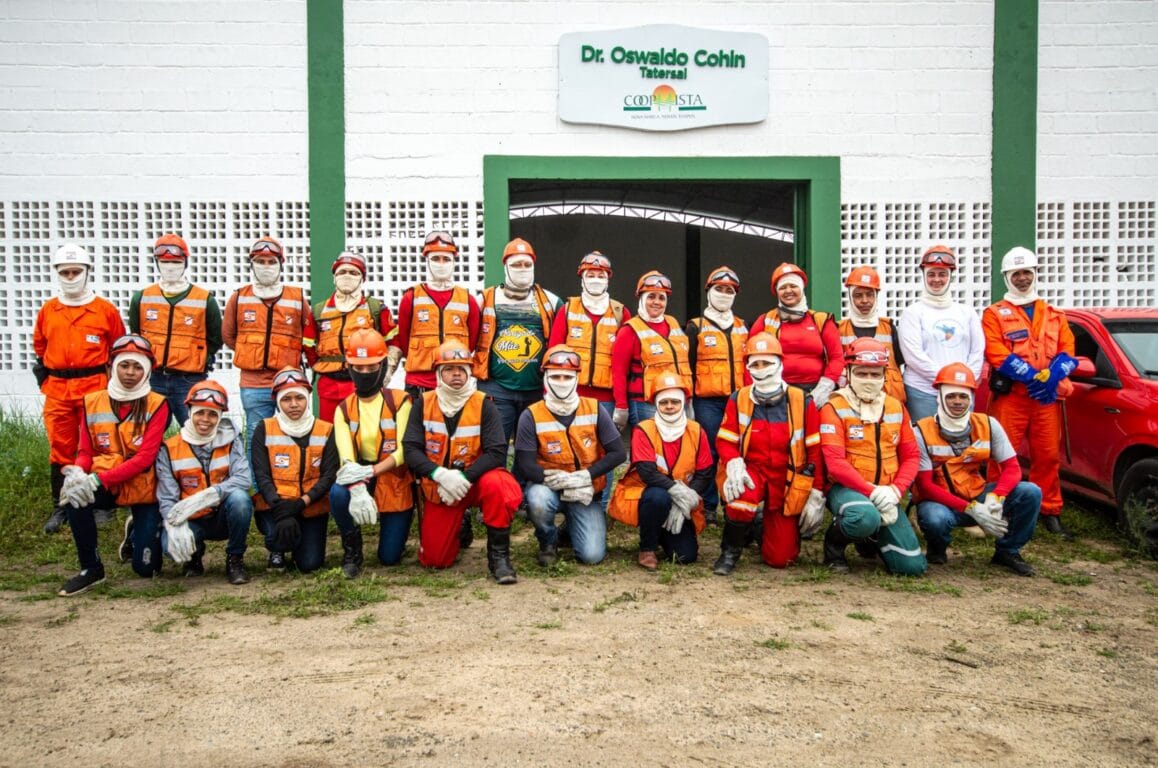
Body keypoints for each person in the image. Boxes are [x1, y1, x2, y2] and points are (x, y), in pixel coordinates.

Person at [56, 335, 170, 596]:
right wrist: (77, 474)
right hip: (106, 480)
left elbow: (145, 458)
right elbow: (86, 450)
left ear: (148, 370)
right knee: (76, 498)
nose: (130, 372)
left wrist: (97, 480)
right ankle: (91, 569)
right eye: (125, 365)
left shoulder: (158, 404)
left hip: (142, 488)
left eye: (138, 367)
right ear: (112, 366)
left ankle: (135, 533)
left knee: (146, 569)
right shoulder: (92, 401)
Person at [402, 341, 522, 583]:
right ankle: (461, 524)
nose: (456, 374)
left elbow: (497, 452)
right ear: (438, 372)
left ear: (470, 372)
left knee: (500, 485)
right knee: (435, 560)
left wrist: (464, 478)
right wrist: (440, 475)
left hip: (475, 482)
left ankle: (499, 558)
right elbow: (410, 449)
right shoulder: (423, 403)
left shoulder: (484, 404)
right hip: (441, 486)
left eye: (462, 368)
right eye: (449, 368)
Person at [982, 246, 1079, 539]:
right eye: (1016, 273)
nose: (1022, 278)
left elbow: (1068, 351)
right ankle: (997, 508)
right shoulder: (994, 313)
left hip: (1046, 399)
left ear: (1035, 274)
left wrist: (1053, 377)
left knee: (1048, 456)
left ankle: (1049, 511)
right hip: (1011, 397)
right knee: (1001, 455)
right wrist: (1033, 376)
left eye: (1027, 272)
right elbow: (996, 353)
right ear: (1006, 277)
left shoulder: (1054, 314)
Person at [712, 332, 826, 575]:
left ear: (780, 363)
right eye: (755, 364)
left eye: (767, 363)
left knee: (781, 559)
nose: (761, 369)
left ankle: (760, 526)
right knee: (741, 499)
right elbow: (725, 440)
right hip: (752, 471)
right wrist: (733, 462)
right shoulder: (739, 398)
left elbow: (815, 452)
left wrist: (816, 493)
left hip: (787, 478)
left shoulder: (802, 401)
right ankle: (730, 551)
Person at [914, 363, 1040, 575]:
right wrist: (970, 509)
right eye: (951, 396)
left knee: (1030, 492)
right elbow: (924, 486)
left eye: (963, 396)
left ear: (971, 397)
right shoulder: (921, 431)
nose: (957, 402)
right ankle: (937, 548)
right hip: (941, 502)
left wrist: (996, 497)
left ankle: (1008, 551)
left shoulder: (988, 425)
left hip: (979, 495)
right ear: (940, 396)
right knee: (934, 519)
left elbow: (1012, 468)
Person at [34, 243, 126, 534]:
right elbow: (40, 346)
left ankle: (102, 504)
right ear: (57, 274)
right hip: (58, 389)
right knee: (61, 448)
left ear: (87, 272)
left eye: (76, 271)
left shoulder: (105, 311)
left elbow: (119, 349)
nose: (71, 276)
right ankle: (61, 505)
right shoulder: (49, 310)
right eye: (65, 272)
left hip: (95, 388)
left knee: (102, 445)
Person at [818, 338, 926, 576]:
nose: (868, 379)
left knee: (911, 568)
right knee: (864, 517)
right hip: (847, 489)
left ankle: (869, 539)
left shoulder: (896, 407)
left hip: (889, 492)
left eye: (875, 374)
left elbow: (911, 456)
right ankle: (834, 547)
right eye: (861, 373)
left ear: (884, 375)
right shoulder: (834, 407)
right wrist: (872, 492)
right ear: (848, 372)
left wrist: (896, 491)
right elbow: (835, 463)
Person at [516, 345, 626, 566]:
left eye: (567, 376)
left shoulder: (594, 408)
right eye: (555, 376)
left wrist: (586, 476)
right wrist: (556, 479)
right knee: (537, 501)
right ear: (545, 378)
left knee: (592, 556)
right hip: (547, 485)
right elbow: (525, 465)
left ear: (577, 378)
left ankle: (568, 528)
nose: (561, 381)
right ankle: (548, 541)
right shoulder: (531, 414)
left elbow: (619, 453)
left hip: (584, 489)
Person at [329, 330, 416, 578]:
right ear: (349, 367)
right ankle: (352, 548)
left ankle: (396, 528)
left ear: (383, 365)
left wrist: (374, 470)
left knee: (389, 558)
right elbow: (346, 457)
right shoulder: (343, 408)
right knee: (338, 492)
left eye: (371, 367)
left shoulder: (400, 401)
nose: (365, 373)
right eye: (359, 367)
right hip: (360, 475)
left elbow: (404, 450)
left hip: (393, 476)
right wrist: (357, 485)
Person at [224, 236, 316, 461]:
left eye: (271, 262)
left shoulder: (297, 298)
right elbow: (228, 336)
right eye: (261, 261)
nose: (266, 267)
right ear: (252, 264)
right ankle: (258, 492)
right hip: (253, 385)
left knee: (296, 436)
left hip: (289, 383)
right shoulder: (238, 297)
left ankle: (293, 488)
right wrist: (252, 354)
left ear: (281, 265)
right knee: (257, 439)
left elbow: (309, 337)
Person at [609, 374, 714, 570]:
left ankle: (663, 535)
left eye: (675, 401)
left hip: (682, 499)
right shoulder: (644, 429)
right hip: (651, 495)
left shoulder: (696, 430)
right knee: (658, 497)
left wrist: (685, 501)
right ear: (656, 404)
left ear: (683, 403)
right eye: (664, 402)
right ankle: (647, 547)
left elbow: (705, 472)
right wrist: (676, 491)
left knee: (685, 556)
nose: (669, 406)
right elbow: (647, 472)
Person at [155, 380, 254, 585]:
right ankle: (194, 555)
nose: (205, 420)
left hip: (222, 517)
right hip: (190, 519)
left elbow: (244, 478)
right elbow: (166, 497)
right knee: (169, 548)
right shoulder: (170, 447)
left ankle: (235, 558)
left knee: (240, 500)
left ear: (220, 417)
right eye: (200, 412)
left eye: (212, 414)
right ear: (190, 412)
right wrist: (173, 524)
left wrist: (209, 495)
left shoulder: (231, 439)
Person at [473, 237, 562, 441]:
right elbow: (468, 339)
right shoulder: (485, 299)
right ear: (506, 267)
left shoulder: (551, 300)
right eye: (516, 264)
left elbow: (560, 342)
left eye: (527, 264)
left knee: (530, 450)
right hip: (496, 389)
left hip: (536, 391)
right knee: (495, 446)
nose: (522, 269)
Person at [129, 233, 223, 426]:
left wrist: (199, 357)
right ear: (157, 263)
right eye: (164, 261)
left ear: (185, 262)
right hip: (152, 379)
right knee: (146, 434)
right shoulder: (142, 298)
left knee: (195, 431)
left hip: (189, 379)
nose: (170, 267)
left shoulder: (205, 299)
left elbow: (215, 338)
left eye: (176, 261)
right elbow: (137, 334)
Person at [250, 367, 337, 574]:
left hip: (310, 505)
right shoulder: (264, 428)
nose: (294, 404)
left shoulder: (326, 429)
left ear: (308, 398)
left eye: (299, 397)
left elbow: (328, 475)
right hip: (276, 505)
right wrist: (280, 507)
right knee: (278, 531)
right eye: (286, 399)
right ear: (278, 402)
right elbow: (261, 475)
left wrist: (301, 503)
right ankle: (276, 548)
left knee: (309, 564)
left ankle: (296, 542)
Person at [685, 266, 748, 525]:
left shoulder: (744, 327)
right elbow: (686, 365)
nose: (724, 294)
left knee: (734, 450)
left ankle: (732, 499)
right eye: (719, 289)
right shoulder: (695, 327)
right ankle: (709, 504)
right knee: (709, 451)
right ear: (709, 292)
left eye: (729, 290)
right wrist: (687, 401)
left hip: (738, 400)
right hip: (707, 401)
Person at [388, 231, 481, 402]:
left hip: (455, 384)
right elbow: (403, 339)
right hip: (419, 383)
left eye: (446, 259)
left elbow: (472, 342)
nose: (441, 264)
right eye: (436, 259)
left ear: (454, 262)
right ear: (427, 261)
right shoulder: (411, 298)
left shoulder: (468, 300)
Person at [897, 245, 984, 421]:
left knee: (960, 443)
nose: (937, 279)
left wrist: (963, 382)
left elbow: (977, 351)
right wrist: (948, 380)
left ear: (950, 276)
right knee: (925, 442)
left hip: (961, 392)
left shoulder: (966, 312)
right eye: (931, 274)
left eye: (942, 274)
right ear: (924, 275)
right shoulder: (912, 312)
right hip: (922, 392)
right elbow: (913, 356)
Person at [310, 251, 393, 421]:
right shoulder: (319, 311)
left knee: (363, 436)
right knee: (330, 436)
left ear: (363, 278)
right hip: (328, 388)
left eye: (354, 273)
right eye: (342, 272)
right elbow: (307, 346)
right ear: (334, 278)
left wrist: (385, 374)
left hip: (364, 385)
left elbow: (394, 343)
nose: (347, 276)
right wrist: (321, 367)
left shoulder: (375, 309)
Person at [749, 262, 844, 407]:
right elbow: (748, 359)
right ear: (776, 291)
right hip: (775, 393)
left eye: (793, 286)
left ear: (802, 288)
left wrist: (823, 390)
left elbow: (837, 358)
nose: (788, 291)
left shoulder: (821, 320)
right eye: (782, 287)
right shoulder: (764, 321)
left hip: (816, 391)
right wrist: (757, 390)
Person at [546, 250, 630, 413]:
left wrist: (621, 404)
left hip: (608, 401)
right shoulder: (567, 310)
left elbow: (624, 366)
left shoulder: (621, 313)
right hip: (571, 397)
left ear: (607, 280)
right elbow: (553, 356)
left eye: (601, 276)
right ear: (582, 279)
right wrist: (549, 394)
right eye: (590, 275)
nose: (595, 280)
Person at [610, 270, 692, 429]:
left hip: (677, 402)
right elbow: (618, 372)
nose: (657, 302)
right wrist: (621, 406)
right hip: (645, 404)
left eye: (662, 298)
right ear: (641, 298)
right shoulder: (629, 330)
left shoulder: (673, 323)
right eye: (651, 296)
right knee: (648, 448)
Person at [837, 265, 905, 404]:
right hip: (851, 402)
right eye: (858, 295)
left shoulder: (889, 327)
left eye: (870, 295)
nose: (864, 300)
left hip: (888, 401)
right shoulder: (838, 329)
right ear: (849, 297)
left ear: (876, 296)